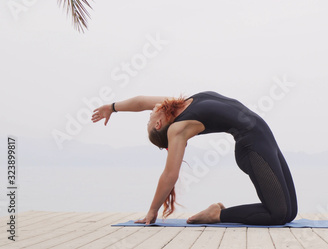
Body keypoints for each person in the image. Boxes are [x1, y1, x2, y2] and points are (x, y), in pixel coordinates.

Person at [91, 91, 297, 225]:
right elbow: (170, 174)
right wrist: (152, 211)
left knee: (290, 213)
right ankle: (216, 214)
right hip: (251, 146)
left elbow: (141, 101)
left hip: (266, 139)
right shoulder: (178, 128)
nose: (150, 112)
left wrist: (112, 107)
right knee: (278, 214)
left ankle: (218, 213)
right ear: (158, 125)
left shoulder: (180, 104)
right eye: (149, 119)